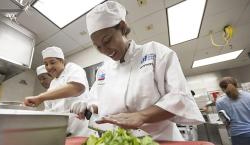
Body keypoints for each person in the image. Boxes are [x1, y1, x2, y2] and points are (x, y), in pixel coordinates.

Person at [70, 1, 204, 141]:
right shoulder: (103, 70)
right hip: (121, 141)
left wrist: (141, 116)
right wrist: (88, 105)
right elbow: (97, 101)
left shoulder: (155, 52)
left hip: (159, 139)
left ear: (122, 27)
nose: (105, 50)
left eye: (107, 40)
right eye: (98, 47)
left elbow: (180, 97)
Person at [24, 46, 91, 136]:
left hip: (81, 129)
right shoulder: (53, 84)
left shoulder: (73, 68)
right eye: (46, 64)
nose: (49, 67)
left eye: (52, 62)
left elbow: (77, 88)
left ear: (62, 61)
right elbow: (49, 111)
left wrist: (40, 98)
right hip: (62, 132)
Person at [216, 77, 250, 145]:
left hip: (237, 134)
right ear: (236, 85)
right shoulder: (248, 96)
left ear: (222, 89)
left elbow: (225, 121)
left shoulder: (220, 102)